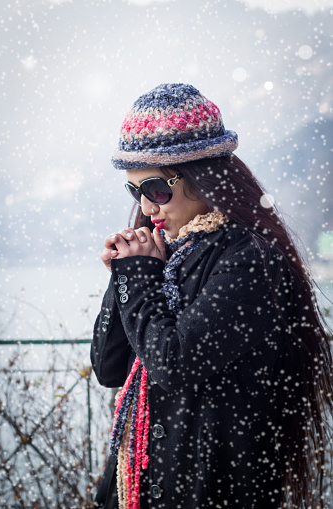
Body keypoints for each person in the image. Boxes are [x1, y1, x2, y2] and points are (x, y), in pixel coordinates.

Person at [91, 83, 333, 509]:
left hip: (211, 488)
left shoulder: (252, 257)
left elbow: (176, 362)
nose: (147, 207)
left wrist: (141, 276)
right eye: (135, 191)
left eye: (156, 189)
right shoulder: (168, 252)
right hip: (142, 487)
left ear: (203, 177)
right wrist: (125, 276)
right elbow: (109, 368)